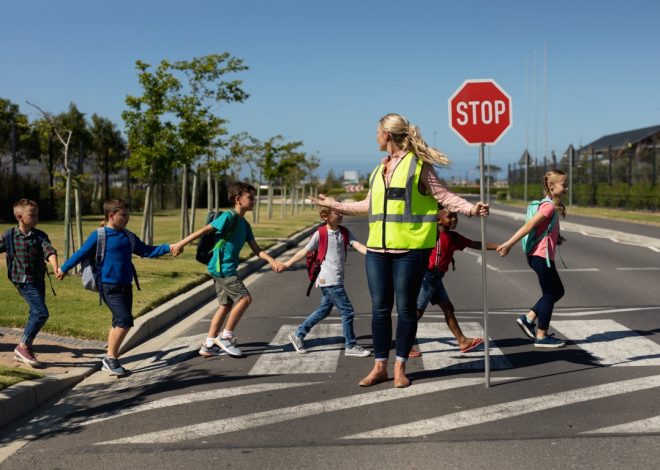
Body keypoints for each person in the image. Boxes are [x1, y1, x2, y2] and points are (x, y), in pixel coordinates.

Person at [312, 113, 488, 388]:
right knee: (379, 309)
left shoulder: (418, 166)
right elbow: (366, 205)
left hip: (410, 250)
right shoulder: (377, 170)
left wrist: (470, 208)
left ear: (387, 135)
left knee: (405, 310)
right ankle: (379, 366)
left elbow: (444, 196)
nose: (375, 137)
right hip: (378, 252)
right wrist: (334, 204)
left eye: (377, 132)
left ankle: (400, 368)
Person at [57, 199, 175, 375]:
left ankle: (110, 357)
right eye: (123, 215)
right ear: (111, 216)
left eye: (128, 215)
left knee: (118, 321)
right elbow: (81, 253)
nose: (127, 219)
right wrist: (64, 268)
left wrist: (168, 247)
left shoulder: (128, 236)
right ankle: (110, 358)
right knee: (125, 320)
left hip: (126, 284)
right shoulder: (100, 235)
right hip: (108, 284)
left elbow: (146, 250)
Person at [170, 181, 286, 358]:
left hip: (224, 268)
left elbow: (257, 249)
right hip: (222, 268)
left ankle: (209, 344)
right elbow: (204, 230)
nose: (254, 200)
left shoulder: (245, 224)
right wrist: (180, 243)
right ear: (238, 199)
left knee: (225, 305)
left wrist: (272, 261)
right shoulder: (229, 217)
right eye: (251, 198)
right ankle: (226, 337)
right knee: (244, 299)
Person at [409, 207, 498, 357]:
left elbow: (474, 244)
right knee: (417, 312)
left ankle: (462, 341)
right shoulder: (431, 234)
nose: (454, 220)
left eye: (455, 217)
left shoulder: (454, 237)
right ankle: (405, 345)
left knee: (448, 309)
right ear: (438, 220)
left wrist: (498, 246)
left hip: (436, 279)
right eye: (450, 217)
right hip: (428, 277)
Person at [284, 207, 371, 358]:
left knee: (324, 310)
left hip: (336, 278)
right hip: (328, 279)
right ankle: (350, 345)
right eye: (336, 213)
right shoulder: (320, 233)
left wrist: (375, 254)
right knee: (347, 311)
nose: (340, 215)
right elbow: (304, 251)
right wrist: (287, 263)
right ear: (325, 216)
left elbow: (357, 245)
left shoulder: (343, 232)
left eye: (341, 212)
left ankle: (298, 334)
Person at [497, 169, 568, 348]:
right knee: (551, 294)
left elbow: (541, 229)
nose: (566, 188)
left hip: (540, 255)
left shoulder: (547, 204)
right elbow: (529, 226)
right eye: (563, 184)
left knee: (557, 291)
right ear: (551, 186)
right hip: (541, 257)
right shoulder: (548, 206)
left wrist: (555, 237)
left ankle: (528, 318)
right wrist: (509, 244)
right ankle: (541, 335)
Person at [0, 199, 59, 366]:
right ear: (20, 217)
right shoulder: (9, 236)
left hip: (38, 279)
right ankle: (23, 346)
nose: (36, 218)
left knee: (35, 311)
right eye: (32, 215)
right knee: (41, 313)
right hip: (22, 280)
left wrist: (55, 267)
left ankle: (26, 346)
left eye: (37, 215)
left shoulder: (39, 236)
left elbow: (49, 251)